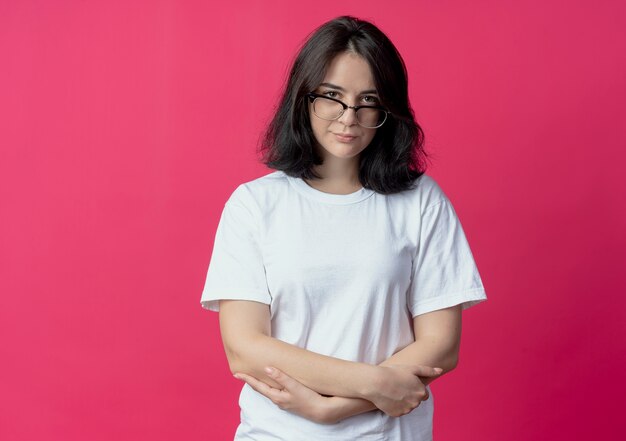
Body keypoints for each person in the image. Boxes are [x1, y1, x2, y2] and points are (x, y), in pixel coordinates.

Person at [200, 15, 487, 441]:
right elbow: (244, 348)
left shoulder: (421, 200)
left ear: (388, 109)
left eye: (368, 100)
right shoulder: (255, 204)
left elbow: (442, 346)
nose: (348, 117)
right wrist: (372, 385)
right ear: (304, 97)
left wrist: (331, 410)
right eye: (332, 96)